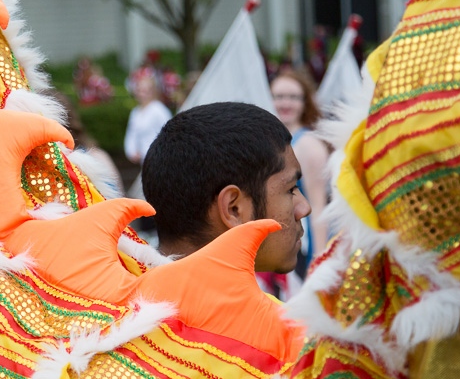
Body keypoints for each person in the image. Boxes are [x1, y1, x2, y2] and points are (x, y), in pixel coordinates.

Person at [141, 101, 311, 275]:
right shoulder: (256, 303)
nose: (305, 208)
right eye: (291, 189)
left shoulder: (125, 294)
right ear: (233, 208)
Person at [271, 69, 330, 276]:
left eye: (293, 97)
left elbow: (318, 205)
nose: (285, 103)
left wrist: (319, 261)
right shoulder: (277, 140)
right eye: (279, 96)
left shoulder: (308, 145)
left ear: (305, 102)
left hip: (307, 247)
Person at [122, 73, 172, 166]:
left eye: (145, 91)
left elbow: (169, 133)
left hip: (160, 160)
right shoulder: (135, 112)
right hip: (144, 161)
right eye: (139, 90)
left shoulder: (159, 110)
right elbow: (131, 134)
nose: (141, 94)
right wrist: (131, 151)